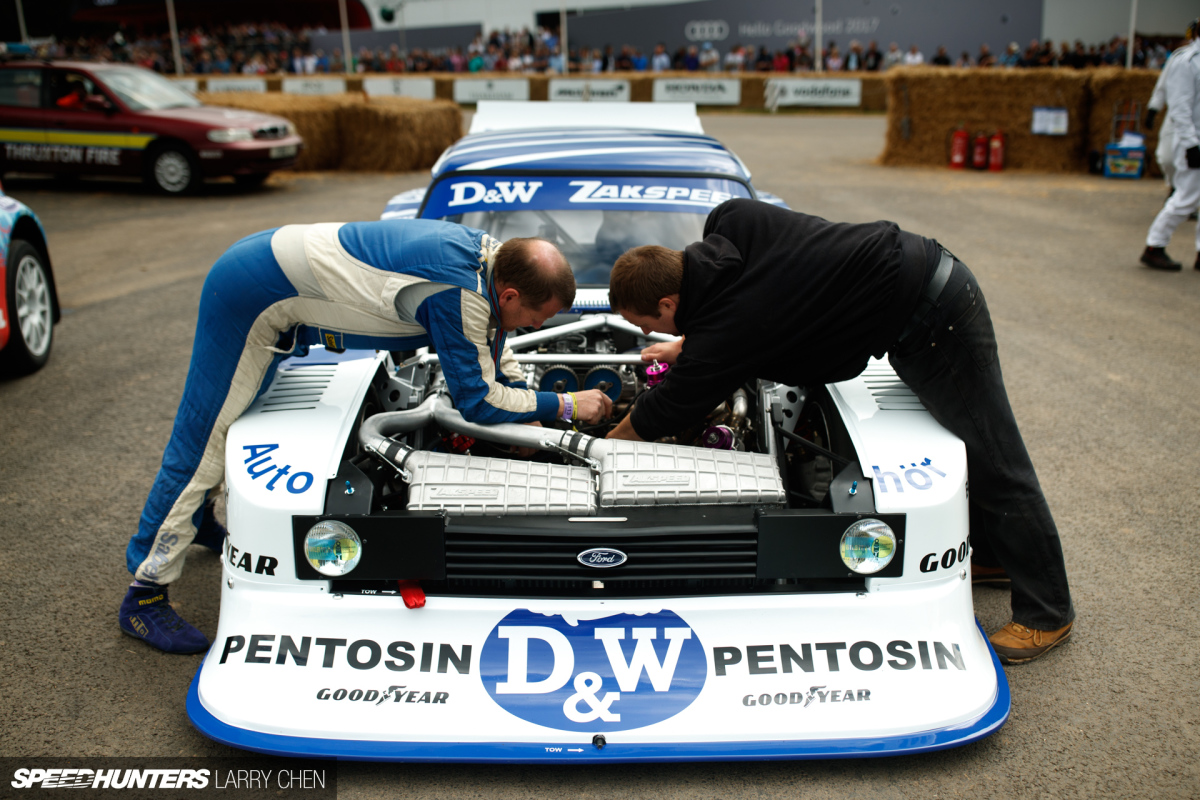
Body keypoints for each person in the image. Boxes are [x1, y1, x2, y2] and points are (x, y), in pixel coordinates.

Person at [605, 199, 1076, 664]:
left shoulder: (730, 326)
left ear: (669, 302)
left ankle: (1046, 612)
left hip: (934, 315)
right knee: (973, 441)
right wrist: (690, 343)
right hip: (916, 289)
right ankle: (992, 559)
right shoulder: (731, 222)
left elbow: (665, 409)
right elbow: (739, 304)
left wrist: (603, 446)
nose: (650, 334)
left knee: (994, 455)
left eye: (648, 325)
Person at [120, 221, 613, 654]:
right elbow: (476, 401)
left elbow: (493, 345)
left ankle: (200, 521)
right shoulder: (457, 291)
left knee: (234, 416)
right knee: (203, 442)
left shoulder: (498, 261)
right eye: (538, 317)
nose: (540, 326)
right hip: (250, 293)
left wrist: (524, 395)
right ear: (509, 295)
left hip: (269, 270)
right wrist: (566, 404)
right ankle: (144, 591)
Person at [1142, 23, 1200, 271]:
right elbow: (1180, 106)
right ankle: (1154, 246)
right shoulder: (1186, 61)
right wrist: (1190, 145)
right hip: (1193, 140)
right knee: (1185, 199)